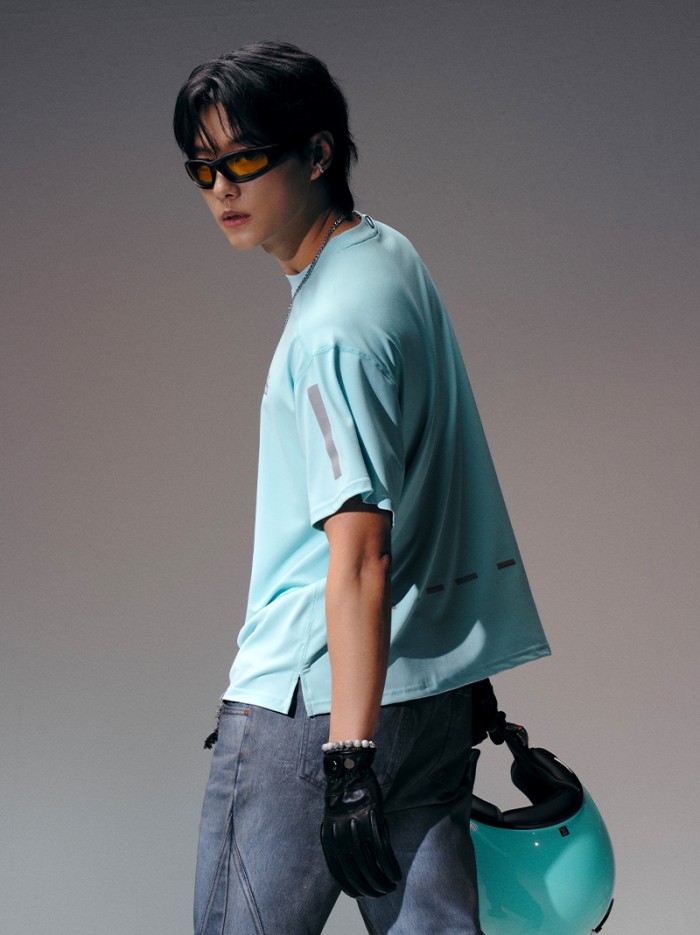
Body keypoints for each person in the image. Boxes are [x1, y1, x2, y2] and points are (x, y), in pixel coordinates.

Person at [173, 41, 550, 935]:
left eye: (244, 159)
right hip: (427, 693)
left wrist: (347, 760)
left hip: (316, 706)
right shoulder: (388, 257)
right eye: (202, 168)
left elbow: (361, 554)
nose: (222, 188)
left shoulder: (330, 332)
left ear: (317, 152)